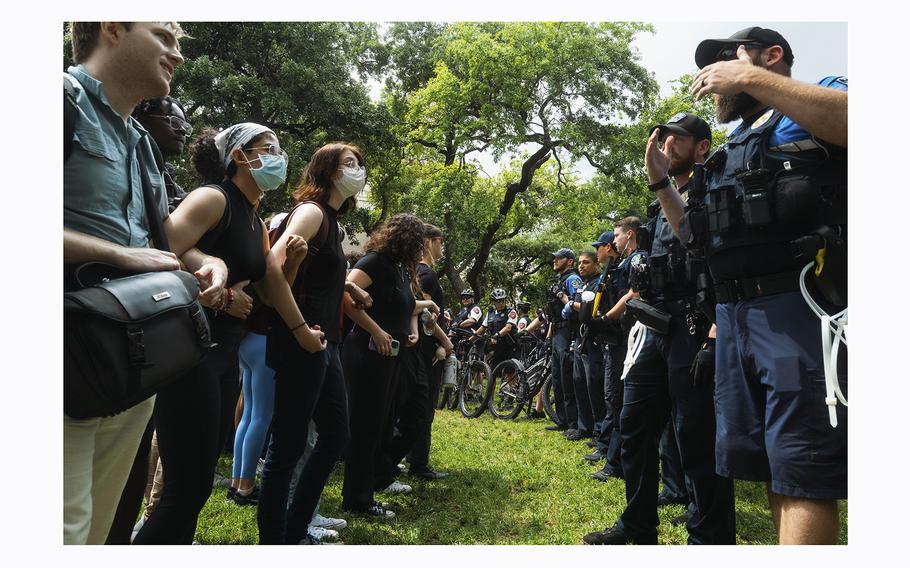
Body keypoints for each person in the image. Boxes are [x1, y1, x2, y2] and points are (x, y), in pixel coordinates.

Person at [63, 21, 228, 545]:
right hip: (64, 357)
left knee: (97, 533)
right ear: (111, 26)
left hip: (130, 363)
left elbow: (160, 240)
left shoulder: (143, 142)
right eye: (165, 37)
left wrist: (205, 261)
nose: (177, 56)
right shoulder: (56, 102)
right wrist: (120, 256)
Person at [685, 27, 846, 544]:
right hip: (734, 317)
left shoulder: (817, 96)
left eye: (723, 60)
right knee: (773, 469)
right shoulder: (733, 144)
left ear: (770, 56)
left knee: (804, 470)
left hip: (798, 307)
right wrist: (663, 181)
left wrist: (749, 75)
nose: (710, 76)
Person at [584, 114, 736, 546]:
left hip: (695, 325)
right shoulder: (656, 204)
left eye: (678, 139)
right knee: (634, 427)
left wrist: (714, 334)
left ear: (701, 147)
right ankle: (637, 526)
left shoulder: (712, 187)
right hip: (655, 328)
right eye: (663, 137)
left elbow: (711, 256)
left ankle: (709, 540)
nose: (666, 144)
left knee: (696, 437)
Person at [257, 142, 371, 545]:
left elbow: (312, 269)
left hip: (328, 343)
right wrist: (301, 330)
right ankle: (276, 541)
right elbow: (273, 267)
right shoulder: (311, 212)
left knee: (335, 436)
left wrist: (347, 288)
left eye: (360, 164)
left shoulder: (334, 223)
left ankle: (295, 528)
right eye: (349, 164)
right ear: (326, 171)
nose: (358, 170)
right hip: (301, 340)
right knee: (287, 447)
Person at [105, 94, 195, 544]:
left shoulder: (156, 167)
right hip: (97, 320)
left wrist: (208, 263)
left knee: (135, 448)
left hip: (145, 324)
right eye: (173, 117)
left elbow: (168, 235)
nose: (182, 126)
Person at [342, 214, 439, 520]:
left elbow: (405, 303)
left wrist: (409, 326)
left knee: (381, 425)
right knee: (365, 428)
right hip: (368, 353)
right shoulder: (374, 262)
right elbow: (345, 294)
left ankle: (371, 485)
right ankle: (357, 499)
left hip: (390, 355)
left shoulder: (399, 268)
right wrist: (375, 330)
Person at [406, 223, 454, 480]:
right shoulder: (426, 274)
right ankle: (418, 463)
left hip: (422, 349)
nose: (442, 247)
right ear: (430, 241)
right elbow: (423, 313)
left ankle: (413, 457)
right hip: (427, 351)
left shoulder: (419, 272)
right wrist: (445, 342)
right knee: (424, 407)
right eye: (441, 241)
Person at [566, 251, 607, 449]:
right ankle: (585, 427)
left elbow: (590, 309)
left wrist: (568, 303)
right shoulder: (583, 284)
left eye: (586, 262)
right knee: (579, 382)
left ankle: (599, 431)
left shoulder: (598, 282)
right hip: (579, 337)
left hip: (593, 340)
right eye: (580, 263)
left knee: (594, 386)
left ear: (596, 264)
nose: (581, 266)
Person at [543, 249, 582, 434]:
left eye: (559, 258)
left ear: (569, 261)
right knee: (557, 378)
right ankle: (562, 420)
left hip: (567, 331)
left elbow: (576, 306)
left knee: (567, 378)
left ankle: (574, 424)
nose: (554, 260)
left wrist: (560, 294)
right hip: (557, 330)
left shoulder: (572, 279)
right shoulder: (558, 279)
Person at [131, 96, 192, 211]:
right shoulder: (126, 161)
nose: (182, 130)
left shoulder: (171, 184)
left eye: (185, 125)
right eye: (174, 122)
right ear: (143, 120)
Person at [470, 288, 519, 371]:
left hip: (509, 346)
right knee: (492, 371)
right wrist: (470, 340)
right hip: (495, 347)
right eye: (498, 301)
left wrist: (497, 335)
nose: (501, 303)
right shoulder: (490, 313)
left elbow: (508, 328)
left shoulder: (511, 311)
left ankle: (512, 384)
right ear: (493, 302)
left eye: (502, 300)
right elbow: (482, 328)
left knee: (509, 371)